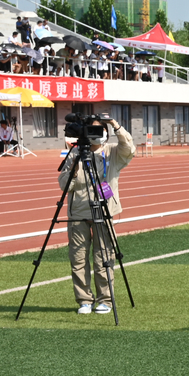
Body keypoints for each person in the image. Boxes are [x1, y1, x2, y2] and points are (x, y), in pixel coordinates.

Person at [58, 115, 135, 314]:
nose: (95, 135)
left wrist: (115, 124)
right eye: (91, 131)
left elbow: (129, 148)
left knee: (104, 257)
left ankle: (105, 300)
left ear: (106, 134)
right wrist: (75, 165)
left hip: (104, 211)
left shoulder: (113, 153)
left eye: (99, 131)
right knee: (78, 259)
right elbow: (64, 185)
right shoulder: (75, 155)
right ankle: (84, 300)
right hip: (78, 213)